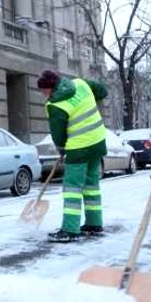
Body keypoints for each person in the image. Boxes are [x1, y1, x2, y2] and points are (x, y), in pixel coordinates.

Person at [37, 69, 108, 242]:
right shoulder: (80, 84)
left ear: (50, 88)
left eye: (43, 90)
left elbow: (58, 135)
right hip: (98, 142)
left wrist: (62, 149)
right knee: (91, 185)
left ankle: (70, 229)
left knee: (72, 189)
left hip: (79, 148)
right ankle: (94, 223)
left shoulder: (55, 106)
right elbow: (102, 90)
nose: (42, 94)